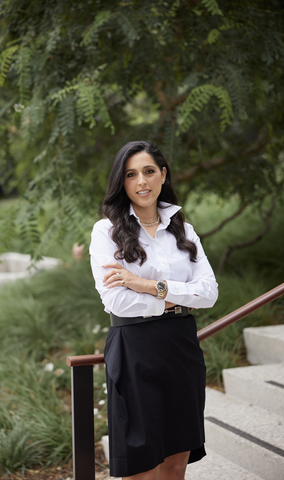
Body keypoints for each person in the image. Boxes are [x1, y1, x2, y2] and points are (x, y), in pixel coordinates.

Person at [89, 141, 218, 480]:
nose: (141, 182)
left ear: (162, 175)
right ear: (122, 182)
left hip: (181, 347)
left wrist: (147, 285)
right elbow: (116, 301)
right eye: (131, 175)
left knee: (176, 462)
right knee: (141, 466)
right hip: (134, 348)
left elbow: (209, 293)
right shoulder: (107, 231)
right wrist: (179, 295)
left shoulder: (183, 231)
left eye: (149, 172)